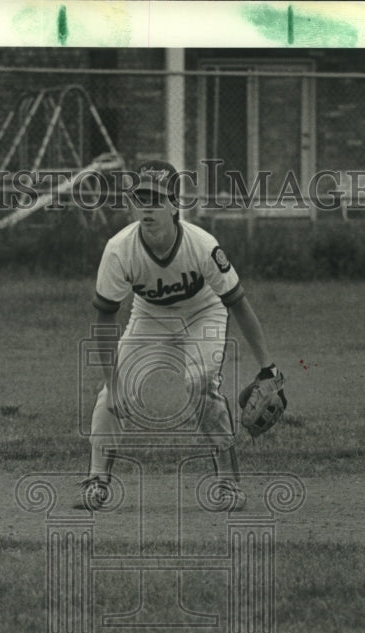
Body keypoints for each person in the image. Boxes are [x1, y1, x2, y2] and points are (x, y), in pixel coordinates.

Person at [75, 160, 281, 511]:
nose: (147, 207)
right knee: (110, 393)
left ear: (174, 205)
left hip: (203, 312)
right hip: (149, 315)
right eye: (141, 198)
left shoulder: (202, 245)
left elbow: (239, 304)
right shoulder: (119, 249)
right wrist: (113, 382)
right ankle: (97, 481)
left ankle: (229, 485)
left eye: (156, 198)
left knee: (201, 383)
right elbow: (105, 317)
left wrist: (267, 368)